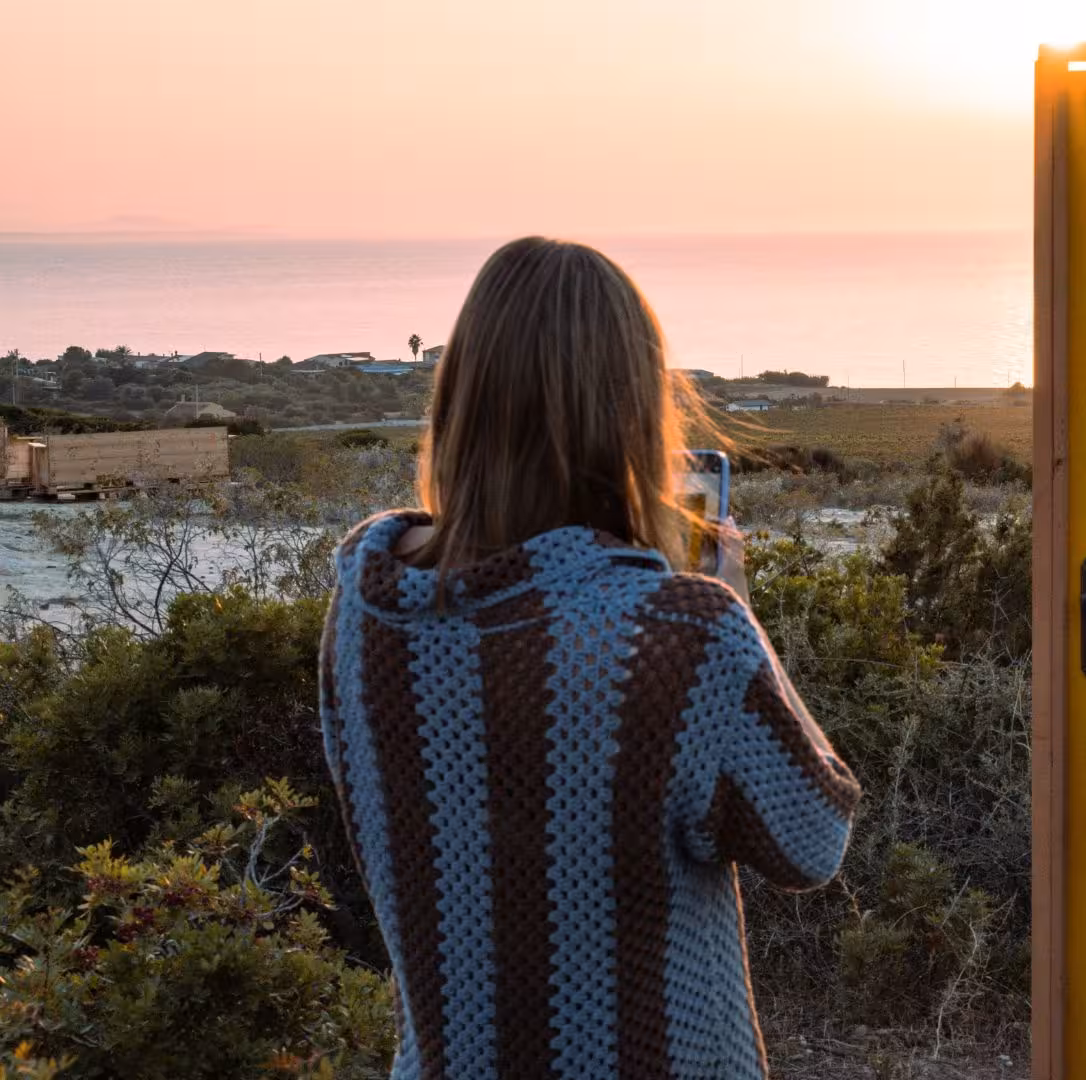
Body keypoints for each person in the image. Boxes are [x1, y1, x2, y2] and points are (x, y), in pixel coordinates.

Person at [318, 236, 862, 1079]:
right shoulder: (681, 632)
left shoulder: (369, 605)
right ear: (635, 415)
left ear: (461, 397)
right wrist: (738, 615)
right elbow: (810, 841)